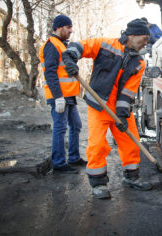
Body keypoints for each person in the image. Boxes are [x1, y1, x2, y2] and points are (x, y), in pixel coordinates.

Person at [61, 18, 152, 199]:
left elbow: (128, 91)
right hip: (99, 104)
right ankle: (98, 183)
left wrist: (122, 116)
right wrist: (70, 58)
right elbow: (80, 47)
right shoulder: (104, 45)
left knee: (130, 141)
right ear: (132, 36)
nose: (145, 43)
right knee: (97, 145)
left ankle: (131, 177)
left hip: (120, 108)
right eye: (144, 39)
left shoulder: (139, 62)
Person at [39, 15, 86, 174]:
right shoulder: (52, 45)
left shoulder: (62, 45)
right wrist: (58, 96)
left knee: (76, 125)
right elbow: (50, 73)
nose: (71, 30)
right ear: (59, 27)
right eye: (68, 27)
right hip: (59, 96)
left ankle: (73, 158)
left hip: (69, 96)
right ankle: (59, 163)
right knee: (60, 128)